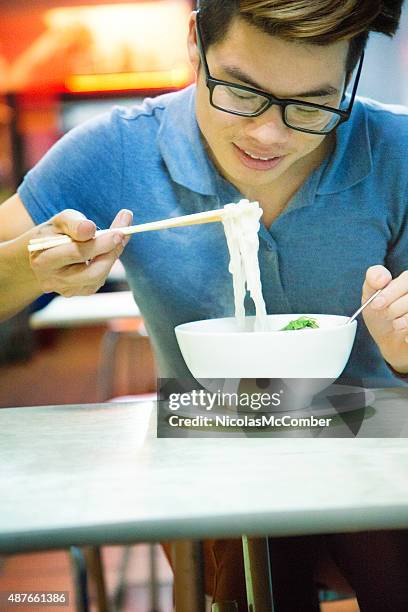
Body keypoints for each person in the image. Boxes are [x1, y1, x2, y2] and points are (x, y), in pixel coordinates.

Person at [0, 0, 407, 609]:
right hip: (209, 436)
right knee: (247, 554)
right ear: (195, 42)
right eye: (241, 92)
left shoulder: (394, 149)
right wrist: (26, 266)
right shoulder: (117, 151)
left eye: (312, 104)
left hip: (377, 438)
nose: (269, 134)